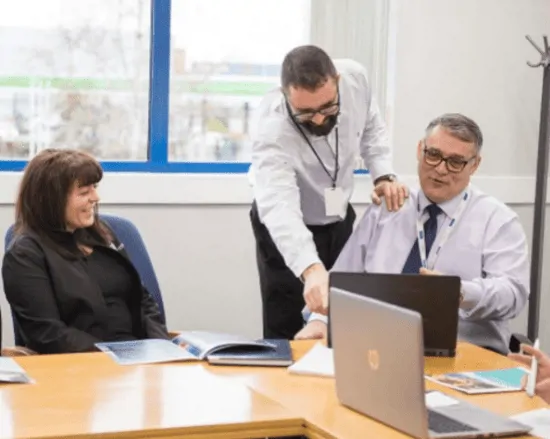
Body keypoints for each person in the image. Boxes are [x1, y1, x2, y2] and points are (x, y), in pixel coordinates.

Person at [297, 113, 529, 355]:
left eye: (456, 162)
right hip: (381, 349)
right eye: (434, 155)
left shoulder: (497, 220)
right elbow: (342, 279)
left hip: (465, 353)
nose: (440, 170)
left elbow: (513, 294)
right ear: (420, 150)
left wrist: (459, 292)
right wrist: (319, 321)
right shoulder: (387, 208)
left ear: (475, 165)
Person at [248, 45, 408, 339]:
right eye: (306, 113)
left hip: (337, 215)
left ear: (337, 81)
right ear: (286, 96)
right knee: (288, 325)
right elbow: (279, 207)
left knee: (343, 317)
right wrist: (310, 269)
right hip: (289, 225)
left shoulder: (356, 79)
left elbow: (371, 128)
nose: (320, 120)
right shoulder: (271, 128)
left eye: (328, 107)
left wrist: (382, 174)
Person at [2, 149, 169, 354]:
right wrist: (114, 355)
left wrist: (162, 349)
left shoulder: (104, 234)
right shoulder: (25, 255)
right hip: (81, 365)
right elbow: (47, 334)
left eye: (94, 188)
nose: (96, 198)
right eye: (84, 192)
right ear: (52, 200)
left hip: (138, 359)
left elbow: (144, 301)